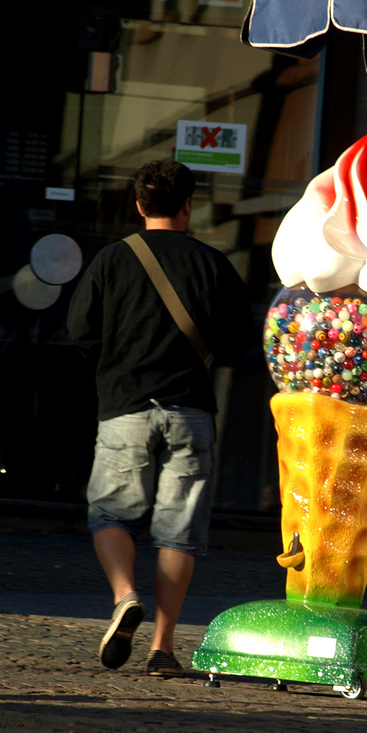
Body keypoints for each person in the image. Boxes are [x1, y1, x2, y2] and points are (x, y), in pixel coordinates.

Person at [68, 160, 252, 676]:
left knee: (109, 514)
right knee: (178, 533)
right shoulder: (214, 264)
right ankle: (162, 649)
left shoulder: (111, 260)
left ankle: (125, 594)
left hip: (124, 409)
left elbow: (81, 332)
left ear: (138, 205)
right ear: (189, 205)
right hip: (191, 411)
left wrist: (117, 365)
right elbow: (240, 342)